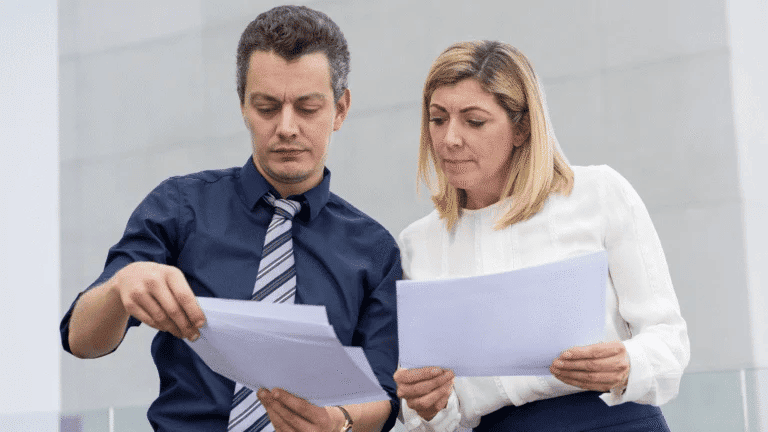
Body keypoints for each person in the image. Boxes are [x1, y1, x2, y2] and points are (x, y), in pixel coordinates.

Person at [60, 6, 400, 432]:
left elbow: (383, 390)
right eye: (267, 107)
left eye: (308, 108)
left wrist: (338, 422)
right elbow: (82, 341)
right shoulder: (179, 208)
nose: (286, 127)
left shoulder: (374, 250)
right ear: (243, 105)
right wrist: (119, 288)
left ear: (341, 108)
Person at [393, 41, 689, 431]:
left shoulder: (598, 194)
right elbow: (433, 417)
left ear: (522, 128)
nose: (450, 139)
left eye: (474, 121)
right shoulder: (418, 244)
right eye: (437, 119)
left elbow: (668, 340)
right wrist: (427, 406)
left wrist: (627, 363)